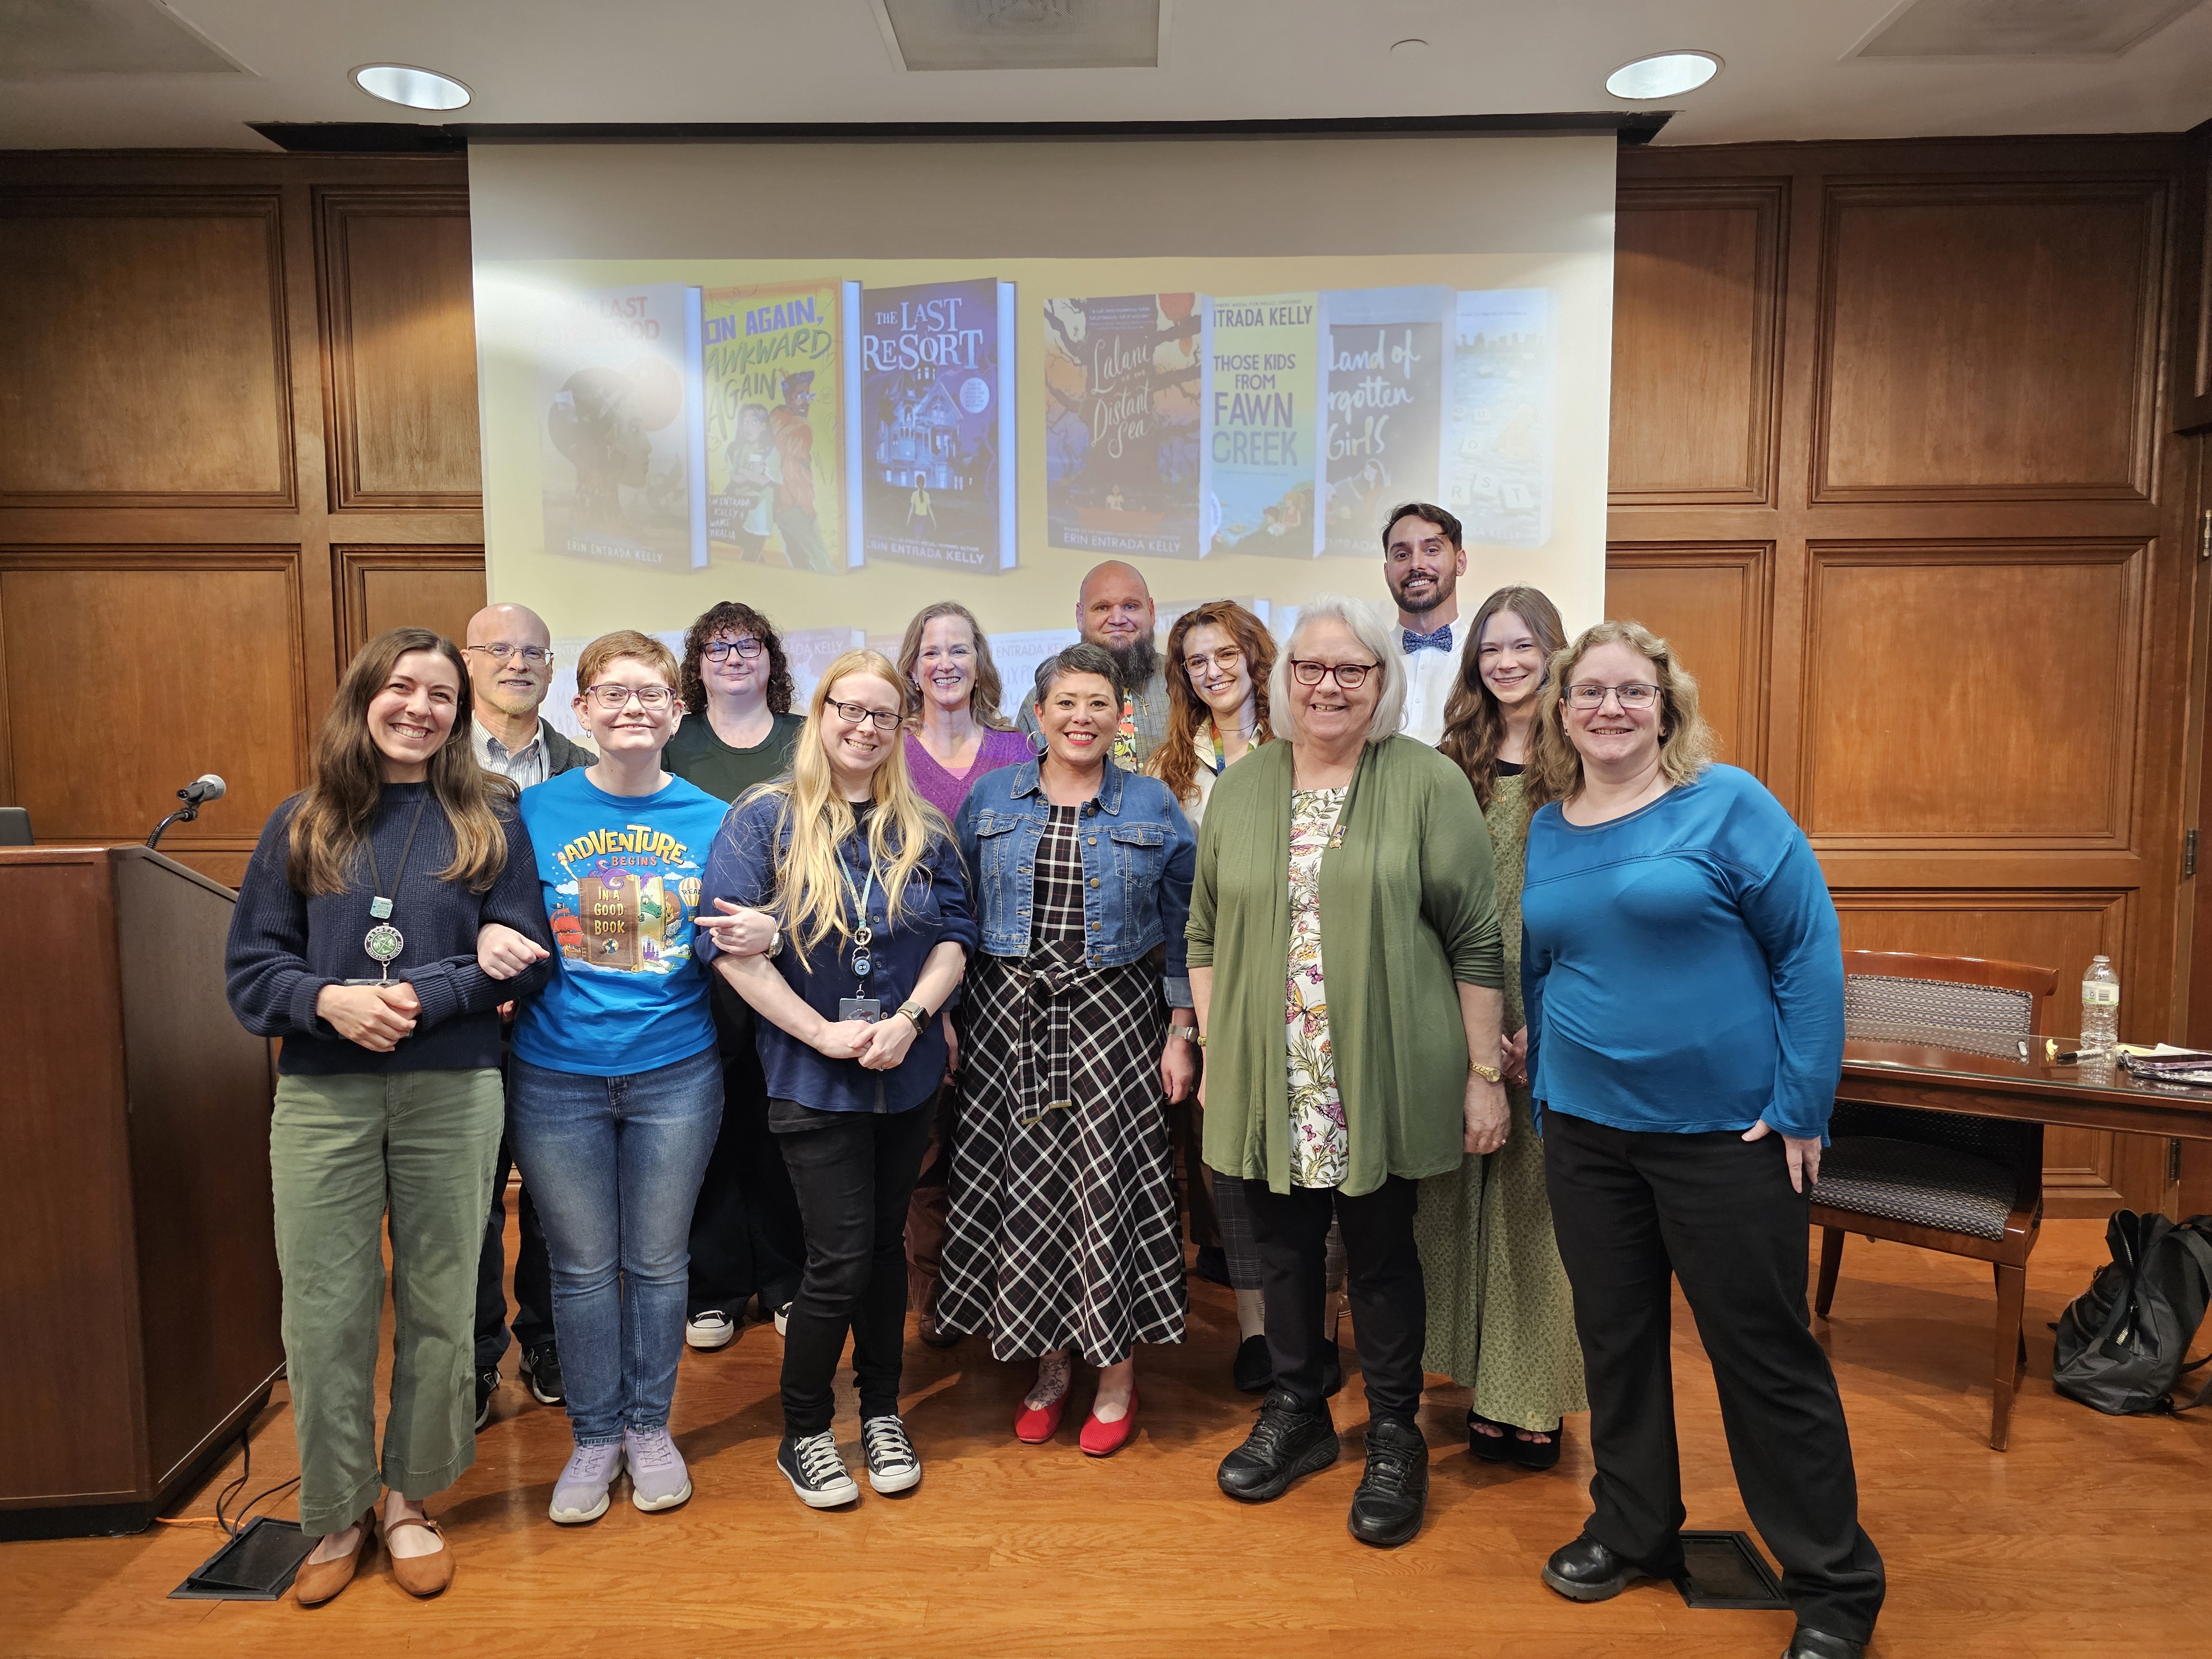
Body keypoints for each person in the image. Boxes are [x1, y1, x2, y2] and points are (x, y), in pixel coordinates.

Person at [1521, 619, 1882, 1659]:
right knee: (1615, 1345)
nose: (1609, 709)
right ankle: (1632, 1530)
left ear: (1667, 706)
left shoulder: (1728, 804)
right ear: (1562, 712)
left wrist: (1806, 1103)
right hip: (1588, 1136)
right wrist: (1546, 1087)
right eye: (1588, 693)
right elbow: (1547, 969)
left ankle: (1833, 1585)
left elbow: (1808, 949)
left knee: (1763, 1356)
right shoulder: (1552, 825)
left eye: (1633, 692)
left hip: (1728, 1136)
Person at [225, 627, 554, 1605]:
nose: (420, 708)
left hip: (454, 1085)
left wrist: (416, 996)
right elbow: (252, 972)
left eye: (442, 695)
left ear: (461, 715)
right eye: (402, 688)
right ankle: (335, 1509)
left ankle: (410, 1498)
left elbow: (529, 952)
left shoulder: (491, 819)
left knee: (445, 1301)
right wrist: (330, 1002)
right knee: (325, 1305)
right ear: (365, 696)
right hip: (322, 1091)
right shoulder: (302, 822)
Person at [1190, 593, 1505, 1550]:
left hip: (1381, 1070)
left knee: (1379, 1252)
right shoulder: (1243, 787)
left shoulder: (1425, 783)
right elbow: (1204, 932)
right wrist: (1216, 1052)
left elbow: (1476, 940)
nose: (1327, 686)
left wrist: (1484, 1071)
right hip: (1268, 1071)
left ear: (1382, 681)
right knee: (1282, 1250)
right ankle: (1299, 1415)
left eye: (1350, 670)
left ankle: (1397, 1432)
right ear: (1283, 681)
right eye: (1309, 669)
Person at [700, 649, 976, 1508]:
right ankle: (807, 1430)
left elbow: (954, 940)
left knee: (885, 1249)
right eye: (847, 710)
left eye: (882, 716)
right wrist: (820, 1031)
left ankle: (884, 1411)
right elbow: (727, 947)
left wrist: (911, 1022)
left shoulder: (923, 826)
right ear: (819, 714)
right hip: (811, 1078)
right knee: (839, 1257)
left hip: (906, 1071)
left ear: (901, 729)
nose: (863, 728)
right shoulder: (764, 819)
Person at [937, 643, 1198, 1458]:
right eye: (1066, 704)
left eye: (1099, 704)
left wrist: (1184, 1032)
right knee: (1029, 1199)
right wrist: (942, 1015)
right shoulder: (988, 799)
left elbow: (1191, 933)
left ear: (1123, 717)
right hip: (1003, 1023)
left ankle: (1116, 1375)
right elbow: (951, 918)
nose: (1082, 718)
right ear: (1039, 716)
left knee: (1104, 1198)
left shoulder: (1153, 806)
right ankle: (1049, 1369)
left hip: (1115, 1026)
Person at [507, 630, 730, 1525]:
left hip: (675, 1071)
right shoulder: (532, 814)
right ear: (582, 709)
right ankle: (595, 1440)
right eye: (615, 692)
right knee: (583, 1269)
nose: (633, 707)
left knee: (658, 1263)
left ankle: (649, 1428)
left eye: (652, 694)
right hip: (554, 1075)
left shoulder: (715, 818)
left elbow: (734, 935)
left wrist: (756, 937)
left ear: (678, 713)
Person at [1418, 586, 1586, 1467]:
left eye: (1524, 646)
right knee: (1453, 1201)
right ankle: (1480, 1381)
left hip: (1558, 1004)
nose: (1507, 662)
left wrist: (1548, 1026)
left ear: (1555, 652)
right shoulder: (1451, 761)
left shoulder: (1587, 760)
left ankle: (1533, 1398)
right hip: (1462, 1000)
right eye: (1491, 648)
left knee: (1535, 1210)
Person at [1145, 599, 1310, 1393]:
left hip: (1309, 979)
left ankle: (1311, 1328)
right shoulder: (1169, 768)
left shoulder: (1305, 743)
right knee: (1230, 1166)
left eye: (1224, 655)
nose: (1212, 671)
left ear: (1254, 656)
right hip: (1215, 982)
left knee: (1315, 1155)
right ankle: (1255, 1331)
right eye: (1195, 662)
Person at [663, 602, 810, 1356]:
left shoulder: (805, 738)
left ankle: (787, 1278)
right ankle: (715, 1287)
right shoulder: (673, 740)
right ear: (697, 663)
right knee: (709, 1126)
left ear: (769, 658)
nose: (732, 657)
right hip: (695, 969)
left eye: (747, 644)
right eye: (716, 647)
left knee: (782, 1124)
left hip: (794, 959)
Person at [459, 601, 589, 1425]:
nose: (518, 662)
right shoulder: (427, 761)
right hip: (460, 1016)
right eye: (499, 649)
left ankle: (547, 1344)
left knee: (552, 1195)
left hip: (559, 1017)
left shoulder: (583, 765)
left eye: (534, 651)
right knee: (467, 1198)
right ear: (468, 661)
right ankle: (474, 1360)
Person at [894, 601, 1031, 1343]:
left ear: (980, 662)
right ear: (912, 665)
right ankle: (936, 1300)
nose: (945, 662)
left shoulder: (1018, 749)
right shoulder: (890, 748)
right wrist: (933, 1007)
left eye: (960, 648)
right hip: (917, 976)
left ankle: (1007, 1290)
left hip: (1010, 975)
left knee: (1005, 1140)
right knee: (930, 1145)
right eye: (932, 650)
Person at [1018, 560, 1171, 769]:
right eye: (1102, 608)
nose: (1117, 619)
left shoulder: (1184, 681)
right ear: (1080, 617)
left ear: (1151, 612)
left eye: (1130, 606)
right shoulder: (1045, 698)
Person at [1382, 502, 1474, 745]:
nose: (1416, 565)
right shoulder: (1368, 659)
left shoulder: (1485, 657)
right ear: (1386, 572)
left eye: (1432, 550)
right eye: (1402, 555)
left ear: (1460, 563)